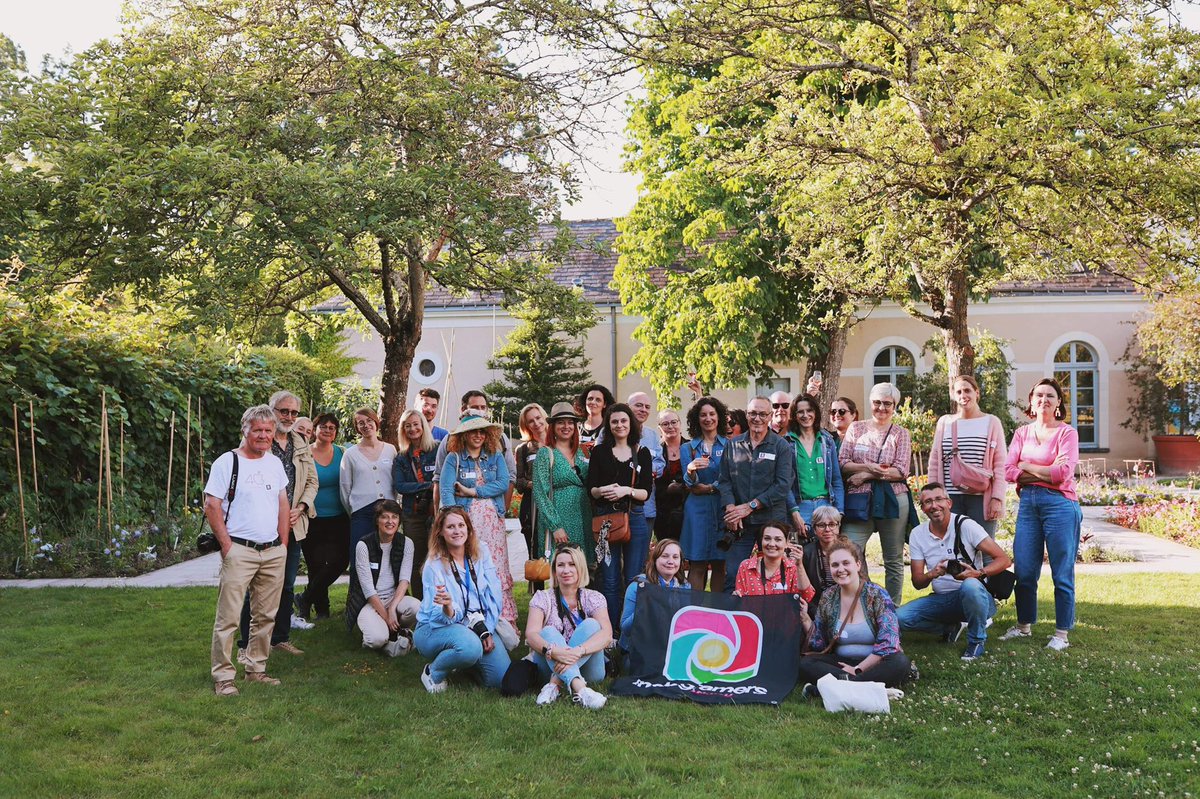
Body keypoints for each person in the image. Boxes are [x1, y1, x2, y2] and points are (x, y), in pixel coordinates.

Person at [206, 405, 290, 696]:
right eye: (258, 430)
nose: (264, 436)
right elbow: (212, 505)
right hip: (239, 549)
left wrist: (283, 543)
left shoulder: (275, 464)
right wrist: (227, 546)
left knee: (265, 615)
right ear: (245, 430)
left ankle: (256, 670)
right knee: (228, 617)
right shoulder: (226, 463)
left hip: (272, 551)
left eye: (269, 431)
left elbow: (282, 503)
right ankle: (223, 677)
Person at [999, 378, 1082, 652]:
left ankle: (1061, 634)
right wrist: (1042, 470)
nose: (1044, 400)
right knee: (1024, 570)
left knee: (1062, 572)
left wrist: (1026, 465)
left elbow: (1063, 474)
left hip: (1060, 504)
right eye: (1039, 396)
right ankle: (1024, 627)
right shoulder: (1022, 433)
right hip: (1028, 505)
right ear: (1031, 402)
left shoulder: (1066, 433)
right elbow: (1008, 470)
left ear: (1059, 403)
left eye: (1050, 396)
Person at [237, 390, 318, 660]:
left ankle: (280, 638)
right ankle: (245, 644)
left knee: (285, 584)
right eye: (284, 411)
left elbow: (311, 482)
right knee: (256, 586)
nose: (289, 417)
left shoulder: (301, 442)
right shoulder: (259, 441)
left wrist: (302, 508)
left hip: (293, 525)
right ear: (272, 411)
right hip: (263, 527)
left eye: (294, 412)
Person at [897, 484, 1013, 661]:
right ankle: (950, 628)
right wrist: (933, 573)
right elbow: (918, 583)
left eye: (938, 499)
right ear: (922, 508)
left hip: (976, 596)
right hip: (942, 599)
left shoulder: (966, 525)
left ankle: (976, 641)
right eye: (928, 502)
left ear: (949, 503)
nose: (934, 505)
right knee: (900, 618)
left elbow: (1004, 560)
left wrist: (978, 573)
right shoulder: (917, 534)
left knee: (970, 586)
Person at [798, 540, 914, 695]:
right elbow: (819, 644)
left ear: (858, 565)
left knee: (900, 662)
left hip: (875, 663)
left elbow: (889, 642)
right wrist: (805, 618)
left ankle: (836, 688)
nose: (841, 569)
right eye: (835, 565)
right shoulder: (828, 596)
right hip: (841, 663)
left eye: (846, 563)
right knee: (806, 663)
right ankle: (872, 689)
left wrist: (858, 669)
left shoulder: (877, 594)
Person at [414, 508, 511, 692]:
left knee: (499, 679)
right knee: (470, 647)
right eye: (450, 527)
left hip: (476, 623)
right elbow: (437, 616)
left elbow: (494, 596)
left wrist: (486, 631)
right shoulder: (434, 565)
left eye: (461, 525)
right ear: (440, 532)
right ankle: (433, 672)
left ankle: (464, 662)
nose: (457, 531)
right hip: (435, 627)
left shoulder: (481, 550)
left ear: (469, 528)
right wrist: (448, 607)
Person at [839, 382, 914, 605]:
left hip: (893, 500)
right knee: (850, 552)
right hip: (859, 501)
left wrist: (865, 474)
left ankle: (893, 611)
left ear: (895, 406)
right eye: (877, 402)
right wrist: (873, 469)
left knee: (893, 559)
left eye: (887, 403)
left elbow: (900, 470)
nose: (881, 407)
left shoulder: (901, 433)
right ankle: (862, 603)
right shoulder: (856, 428)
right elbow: (843, 463)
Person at [439, 415, 516, 626]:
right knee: (470, 563)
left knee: (496, 565)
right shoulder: (453, 458)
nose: (478, 435)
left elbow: (502, 483)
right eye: (474, 431)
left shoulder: (495, 456)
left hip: (492, 520)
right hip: (467, 520)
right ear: (464, 435)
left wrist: (472, 491)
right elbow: (446, 490)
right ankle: (471, 614)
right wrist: (453, 519)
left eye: (482, 431)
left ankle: (503, 617)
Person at [717, 396, 795, 594]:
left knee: (774, 576)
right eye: (753, 413)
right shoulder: (732, 445)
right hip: (739, 525)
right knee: (733, 575)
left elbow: (783, 486)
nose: (757, 418)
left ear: (770, 416)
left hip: (770, 521)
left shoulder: (781, 446)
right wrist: (731, 509)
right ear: (746, 414)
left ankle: (769, 620)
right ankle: (732, 621)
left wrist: (750, 506)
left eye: (762, 414)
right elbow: (724, 481)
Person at [587, 402, 654, 631]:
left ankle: (632, 628)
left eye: (623, 420)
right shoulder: (599, 451)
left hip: (634, 517)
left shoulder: (642, 452)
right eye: (614, 421)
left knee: (635, 577)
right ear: (609, 425)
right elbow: (591, 490)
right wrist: (603, 490)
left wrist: (626, 490)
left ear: (631, 423)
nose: (619, 425)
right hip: (605, 520)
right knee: (610, 577)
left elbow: (645, 492)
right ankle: (612, 630)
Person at [525, 545, 611, 709]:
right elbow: (531, 634)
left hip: (589, 669)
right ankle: (582, 690)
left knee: (592, 624)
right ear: (554, 570)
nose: (566, 570)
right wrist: (552, 651)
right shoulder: (542, 598)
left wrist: (579, 650)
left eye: (572, 564)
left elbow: (607, 634)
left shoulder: (594, 597)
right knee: (548, 631)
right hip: (549, 664)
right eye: (561, 565)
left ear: (580, 568)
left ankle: (554, 684)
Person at [927, 375, 1008, 536]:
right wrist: (933, 497)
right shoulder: (945, 423)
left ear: (977, 393)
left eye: (967, 390)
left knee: (984, 549)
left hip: (981, 498)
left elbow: (1000, 465)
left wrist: (997, 498)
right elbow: (935, 462)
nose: (963, 395)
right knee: (953, 549)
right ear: (953, 395)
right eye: (958, 392)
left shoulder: (991, 422)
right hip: (949, 499)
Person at [344, 499, 421, 656]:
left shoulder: (406, 543)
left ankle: (398, 633)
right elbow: (368, 589)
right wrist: (387, 617)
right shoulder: (363, 545)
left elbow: (405, 580)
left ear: (399, 520)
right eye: (385, 517)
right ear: (377, 520)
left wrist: (392, 608)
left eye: (394, 517)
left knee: (416, 607)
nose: (390, 521)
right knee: (377, 639)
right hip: (370, 602)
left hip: (394, 598)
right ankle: (392, 638)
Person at [295, 413, 350, 621]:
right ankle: (322, 610)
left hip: (339, 517)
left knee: (341, 561)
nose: (327, 430)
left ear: (336, 433)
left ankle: (305, 597)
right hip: (312, 517)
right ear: (315, 429)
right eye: (323, 426)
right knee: (315, 564)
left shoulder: (342, 453)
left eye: (332, 428)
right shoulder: (304, 454)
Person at [532, 403, 592, 567]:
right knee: (563, 565)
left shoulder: (583, 452)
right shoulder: (546, 453)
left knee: (583, 566)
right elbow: (540, 493)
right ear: (552, 426)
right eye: (561, 422)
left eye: (570, 422)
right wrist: (555, 526)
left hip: (584, 516)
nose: (566, 426)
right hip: (560, 517)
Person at [432, 390, 517, 507]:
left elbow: (509, 477)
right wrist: (442, 513)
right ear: (463, 410)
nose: (480, 411)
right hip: (462, 514)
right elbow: (439, 479)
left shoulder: (500, 441)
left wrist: (504, 509)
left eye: (483, 407)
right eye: (475, 407)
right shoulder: (449, 441)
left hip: (493, 514)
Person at [680, 397, 729, 592]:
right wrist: (691, 470)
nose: (708, 418)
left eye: (712, 414)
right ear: (696, 419)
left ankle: (717, 613)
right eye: (703, 415)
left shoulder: (730, 446)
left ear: (719, 417)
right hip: (697, 510)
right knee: (697, 563)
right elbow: (690, 485)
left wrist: (710, 487)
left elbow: (731, 478)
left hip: (722, 507)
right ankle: (694, 611)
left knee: (720, 563)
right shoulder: (688, 448)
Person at [339, 407, 397, 561]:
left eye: (369, 420)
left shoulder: (391, 450)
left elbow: (396, 480)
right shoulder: (350, 454)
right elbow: (345, 487)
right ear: (357, 428)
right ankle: (357, 586)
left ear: (375, 422)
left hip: (389, 512)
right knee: (360, 557)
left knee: (386, 558)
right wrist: (354, 509)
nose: (366, 425)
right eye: (360, 423)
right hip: (362, 513)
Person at [392, 408, 437, 600]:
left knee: (438, 558)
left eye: (416, 424)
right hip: (413, 515)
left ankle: (442, 602)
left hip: (436, 512)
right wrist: (429, 485)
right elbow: (400, 485)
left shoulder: (437, 449)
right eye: (407, 426)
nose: (412, 429)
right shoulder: (401, 457)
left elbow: (444, 477)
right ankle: (421, 603)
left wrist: (429, 486)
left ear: (423, 426)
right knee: (417, 559)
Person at [785, 393, 845, 537]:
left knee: (827, 554)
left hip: (826, 505)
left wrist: (839, 512)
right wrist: (794, 512)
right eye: (800, 411)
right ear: (794, 415)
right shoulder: (787, 442)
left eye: (809, 410)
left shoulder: (826, 441)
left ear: (816, 413)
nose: (805, 415)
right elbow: (784, 483)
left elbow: (836, 479)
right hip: (800, 506)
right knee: (801, 553)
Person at [620, 538, 689, 652]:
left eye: (675, 557)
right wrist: (644, 604)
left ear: (680, 562)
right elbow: (626, 629)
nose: (670, 561)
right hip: (639, 648)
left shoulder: (685, 587)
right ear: (655, 559)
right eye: (665, 556)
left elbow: (685, 622)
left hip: (670, 646)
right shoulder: (638, 586)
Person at [799, 506, 861, 612]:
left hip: (850, 604)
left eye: (832, 524)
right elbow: (806, 592)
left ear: (838, 526)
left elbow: (864, 581)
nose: (827, 529)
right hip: (818, 606)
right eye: (821, 525)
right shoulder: (807, 552)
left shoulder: (853, 549)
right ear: (814, 529)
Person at [514, 403, 548, 589]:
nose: (536, 423)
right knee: (536, 555)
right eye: (530, 421)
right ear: (525, 426)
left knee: (562, 554)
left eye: (538, 418)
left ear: (544, 417)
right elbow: (518, 482)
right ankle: (539, 601)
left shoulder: (558, 443)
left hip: (557, 502)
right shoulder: (523, 449)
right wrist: (535, 485)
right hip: (532, 505)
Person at [733, 521, 815, 598]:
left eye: (778, 539)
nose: (772, 544)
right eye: (767, 538)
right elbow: (741, 604)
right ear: (761, 541)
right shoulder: (746, 566)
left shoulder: (793, 567)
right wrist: (736, 598)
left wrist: (799, 565)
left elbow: (807, 596)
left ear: (787, 543)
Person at [628, 391, 662, 536]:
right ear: (627, 407)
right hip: (616, 508)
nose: (643, 410)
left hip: (645, 507)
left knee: (641, 556)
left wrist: (646, 470)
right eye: (639, 405)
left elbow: (660, 464)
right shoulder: (609, 431)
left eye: (647, 407)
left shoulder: (652, 435)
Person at [653, 410, 688, 543]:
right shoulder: (656, 451)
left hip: (688, 508)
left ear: (680, 424)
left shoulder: (691, 447)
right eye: (665, 423)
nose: (670, 426)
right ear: (659, 428)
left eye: (674, 422)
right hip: (663, 512)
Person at [576, 383, 615, 457]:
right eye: (590, 399)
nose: (593, 402)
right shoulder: (576, 428)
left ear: (604, 404)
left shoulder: (609, 429)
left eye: (598, 400)